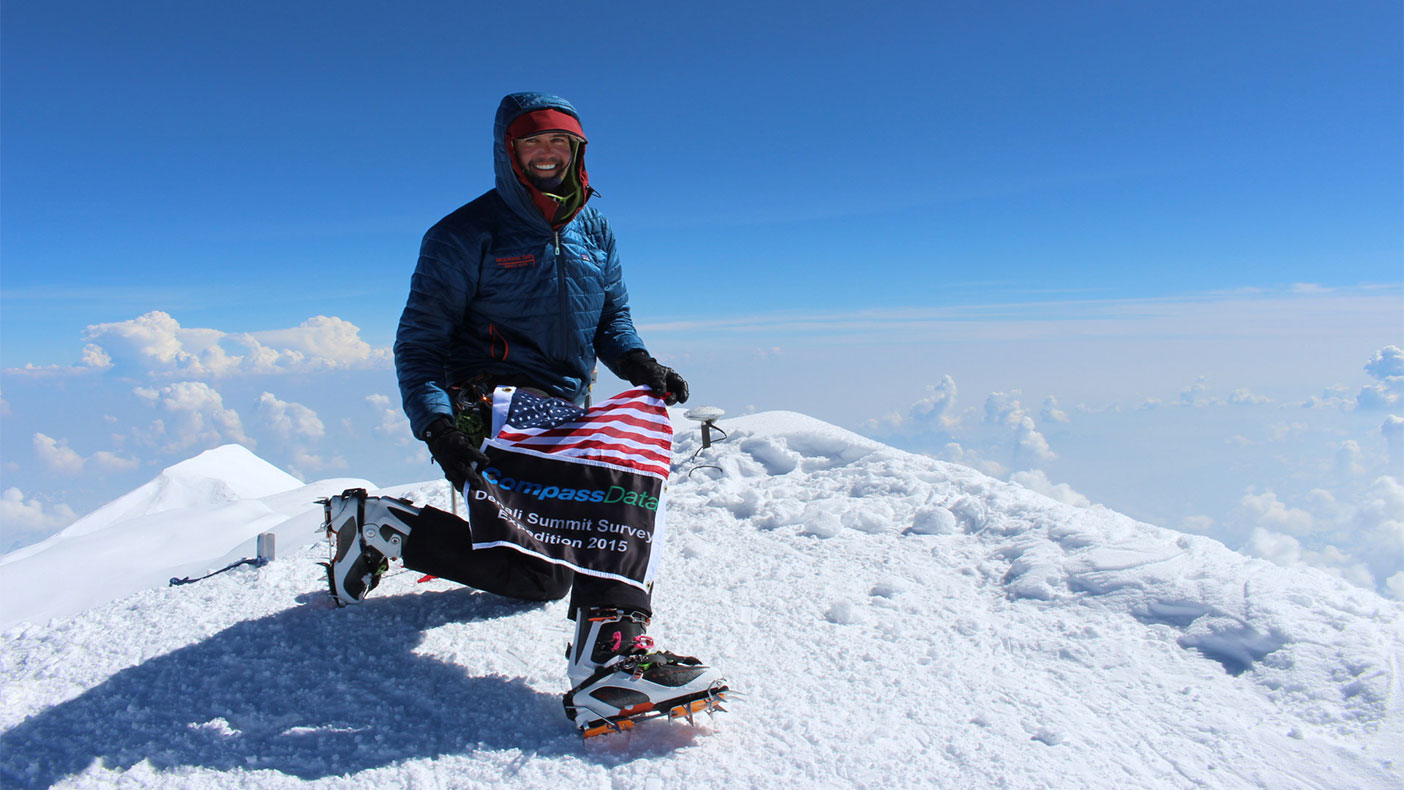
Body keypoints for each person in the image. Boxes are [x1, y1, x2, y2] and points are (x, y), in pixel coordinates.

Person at [320, 92, 725, 735]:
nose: (545, 153)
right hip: (486, 405)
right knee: (609, 488)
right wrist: (438, 426)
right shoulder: (463, 233)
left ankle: (379, 524)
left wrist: (641, 365)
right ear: (508, 153)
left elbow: (612, 322)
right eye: (531, 142)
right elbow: (419, 343)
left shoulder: (596, 227)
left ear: (577, 153)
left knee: (535, 578)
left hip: (562, 409)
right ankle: (609, 662)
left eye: (558, 143)